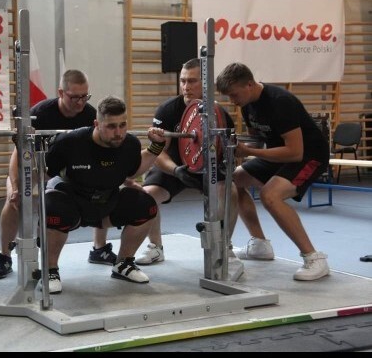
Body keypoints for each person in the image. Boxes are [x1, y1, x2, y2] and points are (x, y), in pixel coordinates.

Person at [0, 70, 116, 279]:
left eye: (84, 96)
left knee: (104, 188)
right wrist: (16, 186)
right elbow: (19, 155)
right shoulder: (39, 115)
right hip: (37, 166)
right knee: (15, 199)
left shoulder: (90, 116)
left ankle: (99, 248)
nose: (80, 102)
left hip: (70, 170)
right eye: (74, 97)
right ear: (61, 93)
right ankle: (4, 256)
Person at [216, 62, 330, 281]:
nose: (232, 101)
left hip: (309, 156)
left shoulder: (280, 102)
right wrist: (234, 148)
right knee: (234, 179)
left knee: (270, 196)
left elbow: (295, 152)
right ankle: (260, 245)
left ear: (249, 85)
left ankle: (314, 258)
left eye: (234, 95)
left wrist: (249, 151)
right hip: (280, 154)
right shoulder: (247, 105)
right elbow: (257, 141)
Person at [43, 95, 167, 294]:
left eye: (122, 125)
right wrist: (19, 191)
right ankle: (50, 271)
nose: (118, 133)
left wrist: (156, 147)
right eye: (111, 126)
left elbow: (134, 171)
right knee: (52, 204)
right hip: (72, 203)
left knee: (145, 204)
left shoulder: (130, 144)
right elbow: (43, 174)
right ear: (96, 124)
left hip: (105, 204)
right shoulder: (70, 142)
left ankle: (123, 264)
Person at [137, 58, 251, 266]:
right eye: (183, 81)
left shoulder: (220, 114)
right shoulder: (167, 110)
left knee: (230, 191)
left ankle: (224, 247)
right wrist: (176, 170)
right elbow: (158, 153)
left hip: (209, 168)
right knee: (147, 195)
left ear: (206, 84)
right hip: (175, 167)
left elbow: (229, 153)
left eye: (192, 81)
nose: (186, 87)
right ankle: (155, 247)